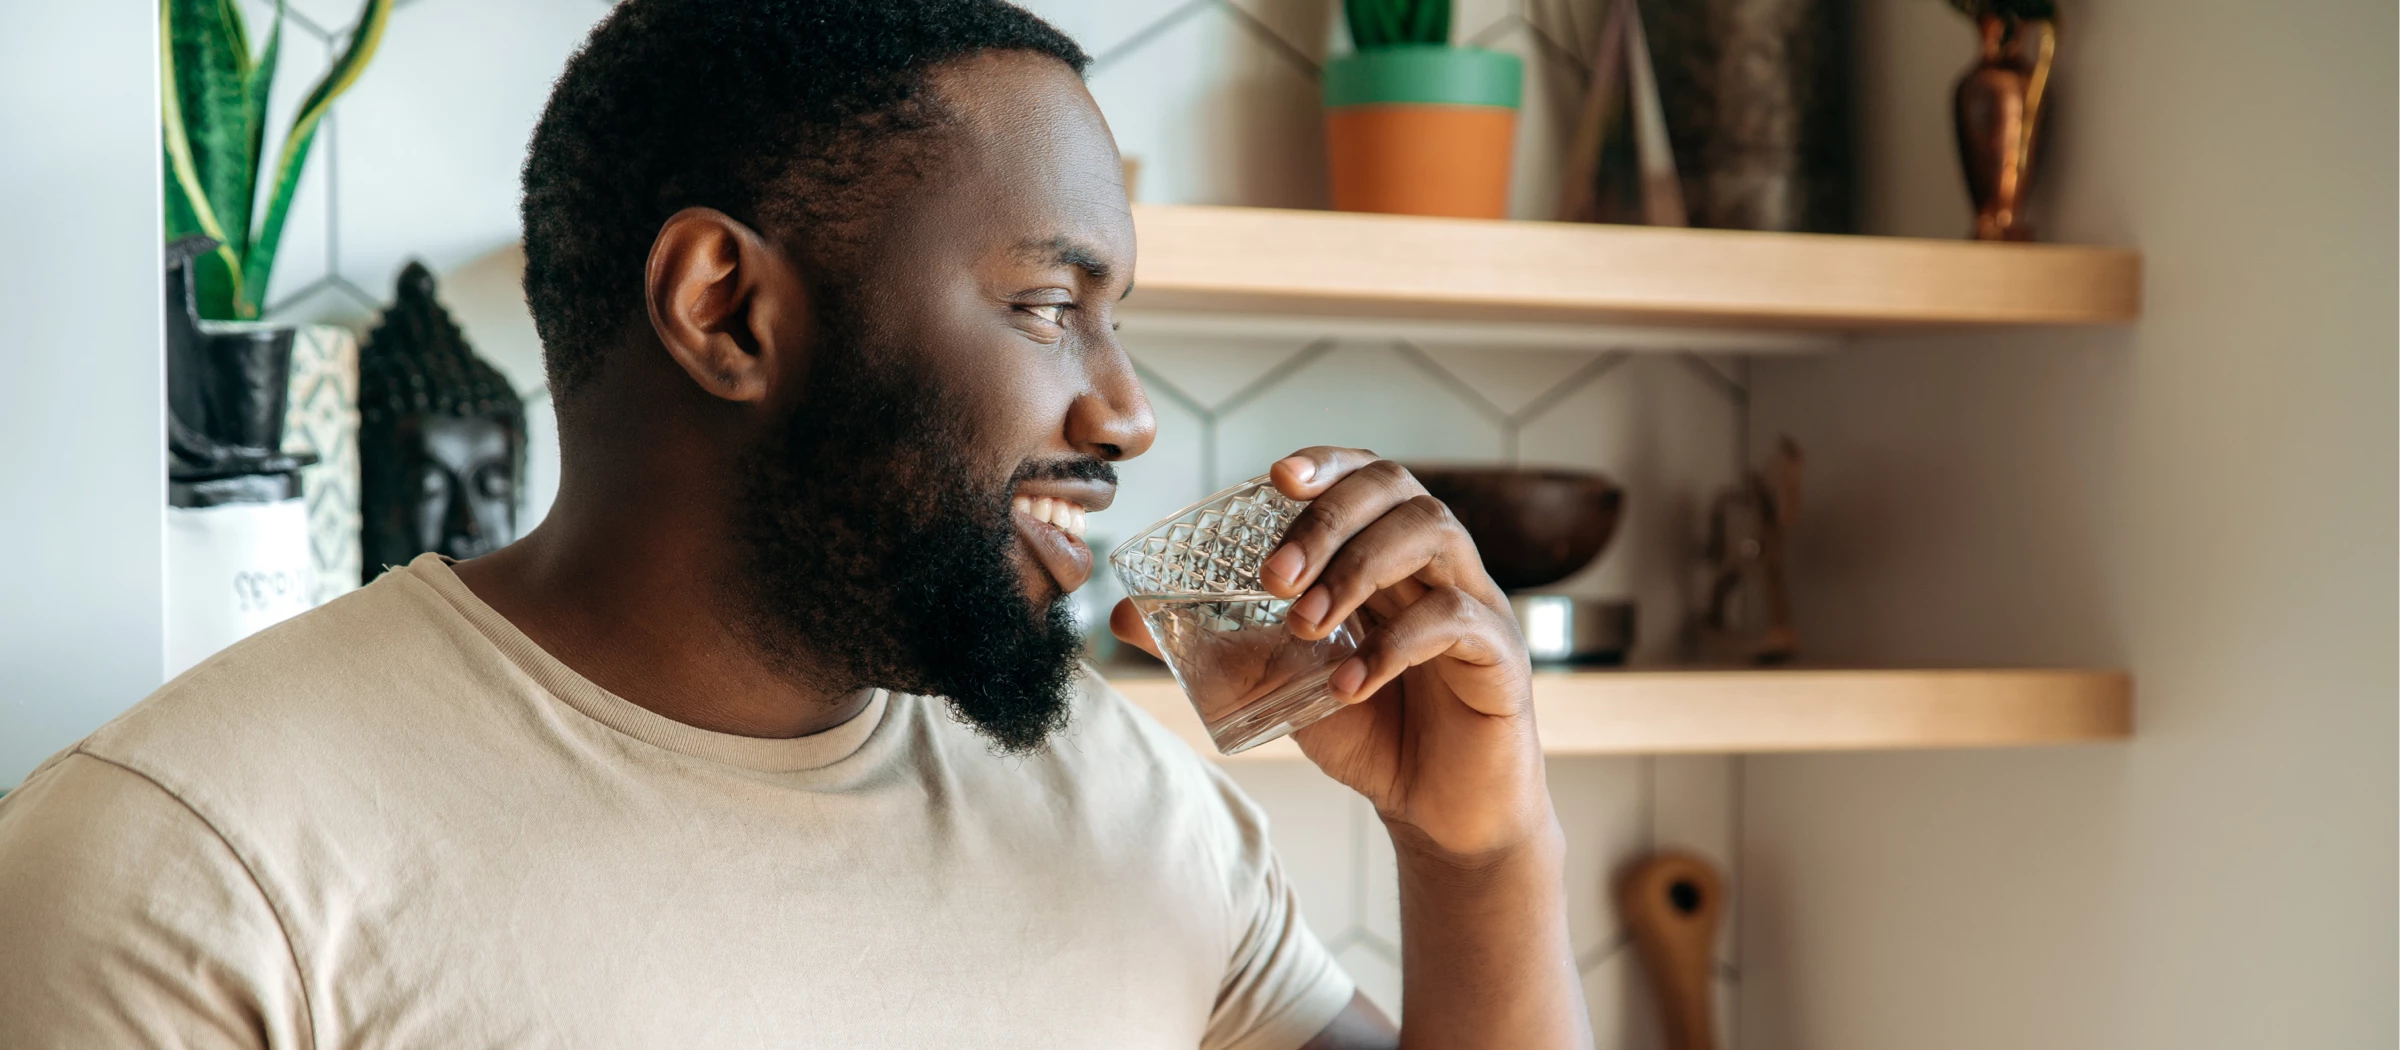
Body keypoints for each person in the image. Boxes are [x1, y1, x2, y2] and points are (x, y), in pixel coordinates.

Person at [0, 2, 1589, 1046]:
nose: (1127, 412)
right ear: (729, 309)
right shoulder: (187, 865)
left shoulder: (1116, 795)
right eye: (1048, 304)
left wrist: (1482, 850)